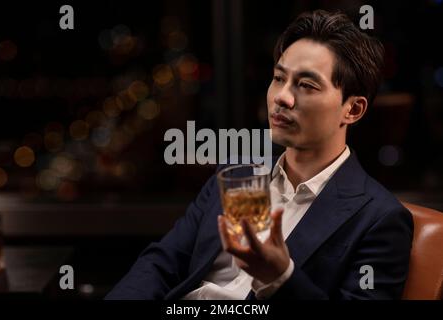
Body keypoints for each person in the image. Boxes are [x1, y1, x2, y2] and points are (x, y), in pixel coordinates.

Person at [105, 10, 413, 300]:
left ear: (353, 109)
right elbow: (162, 262)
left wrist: (280, 277)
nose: (282, 96)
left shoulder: (380, 218)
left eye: (306, 85)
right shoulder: (235, 173)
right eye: (279, 78)